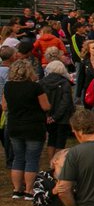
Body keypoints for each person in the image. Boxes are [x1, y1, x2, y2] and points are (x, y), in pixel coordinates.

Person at [2, 56, 51, 197]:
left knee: (18, 158)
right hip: (33, 126)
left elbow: (4, 107)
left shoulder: (8, 86)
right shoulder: (35, 87)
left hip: (14, 125)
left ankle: (17, 189)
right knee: (32, 158)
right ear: (29, 71)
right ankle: (29, 190)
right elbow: (45, 106)